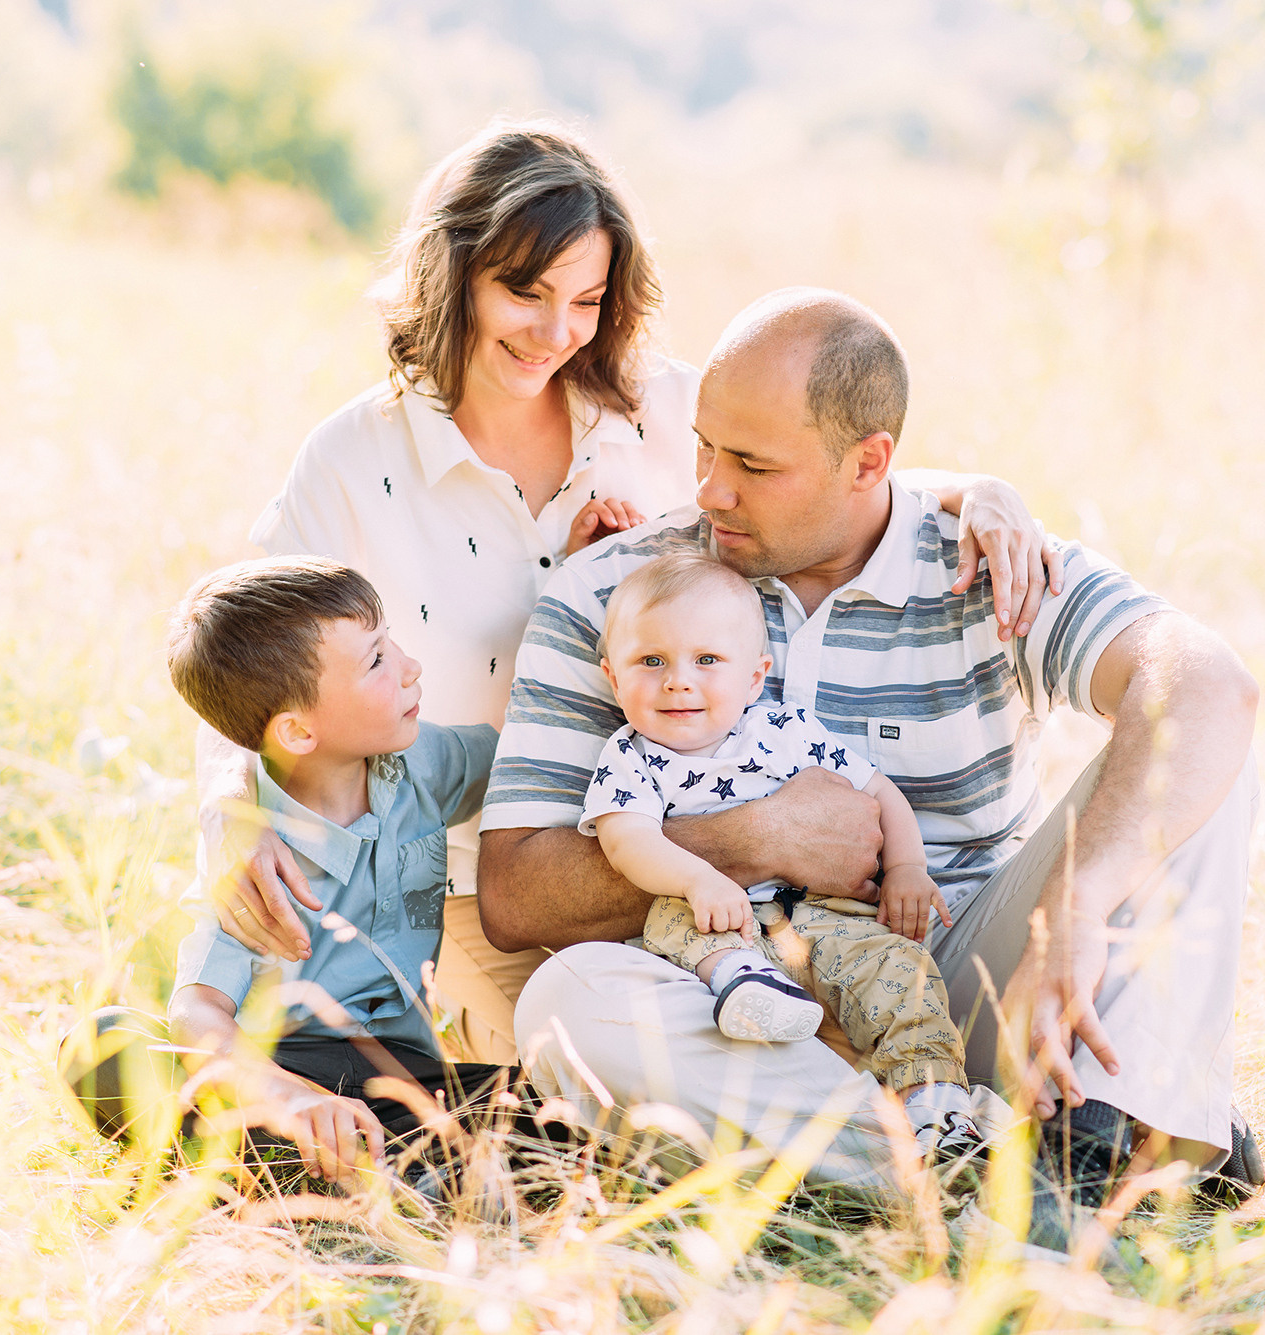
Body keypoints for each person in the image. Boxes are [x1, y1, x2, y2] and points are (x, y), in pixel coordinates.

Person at [199, 120, 1069, 1065]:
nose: (557, 334)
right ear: (452, 275)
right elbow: (254, 660)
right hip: (491, 885)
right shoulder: (353, 462)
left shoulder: (661, 408)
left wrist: (973, 491)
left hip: (710, 841)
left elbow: (824, 474)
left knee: (788, 1030)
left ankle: (936, 1116)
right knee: (595, 1053)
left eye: (587, 300)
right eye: (524, 292)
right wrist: (233, 810)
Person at [478, 288, 1262, 1215]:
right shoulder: (617, 594)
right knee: (567, 1002)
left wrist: (1080, 903)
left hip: (961, 977)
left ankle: (1099, 1127)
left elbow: (1206, 680)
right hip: (732, 1001)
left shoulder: (991, 564)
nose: (711, 489)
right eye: (705, 447)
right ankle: (996, 1178)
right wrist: (756, 836)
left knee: (1199, 750)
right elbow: (515, 894)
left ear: (870, 462)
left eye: (753, 464)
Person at [580, 553, 983, 1168]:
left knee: (900, 969)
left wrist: (906, 869)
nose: (678, 681)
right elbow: (626, 840)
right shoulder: (630, 756)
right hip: (717, 921)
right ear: (614, 678)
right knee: (668, 921)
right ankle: (745, 985)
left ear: (754, 677)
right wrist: (698, 879)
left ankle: (935, 1105)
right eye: (651, 661)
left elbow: (879, 792)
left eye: (706, 660)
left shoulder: (784, 730)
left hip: (824, 914)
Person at [164, 556, 506, 1187]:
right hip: (284, 1063)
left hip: (402, 1073)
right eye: (376, 661)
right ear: (297, 731)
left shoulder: (421, 763)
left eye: (389, 641)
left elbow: (522, 757)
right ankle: (316, 1152)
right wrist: (287, 1096)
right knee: (106, 1047)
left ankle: (362, 1165)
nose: (410, 666)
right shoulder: (253, 859)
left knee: (543, 1107)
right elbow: (197, 1011)